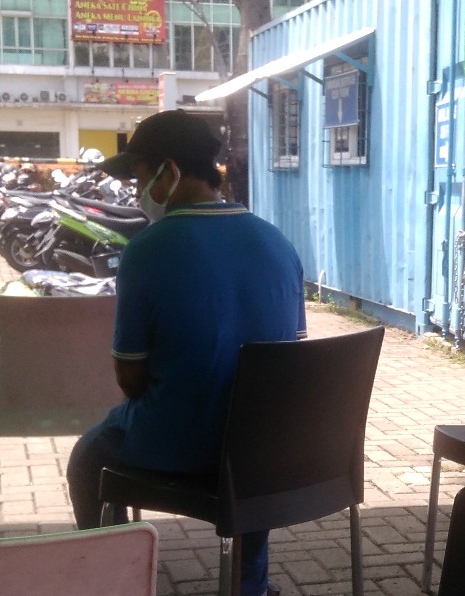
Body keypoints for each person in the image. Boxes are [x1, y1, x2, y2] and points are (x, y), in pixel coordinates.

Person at [67, 110, 305, 596]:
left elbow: (130, 379)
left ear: (170, 171)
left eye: (139, 178)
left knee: (88, 457)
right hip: (268, 453)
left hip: (180, 445)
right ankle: (249, 585)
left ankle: (113, 579)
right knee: (251, 439)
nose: (138, 191)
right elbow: (288, 363)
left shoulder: (148, 249)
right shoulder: (278, 242)